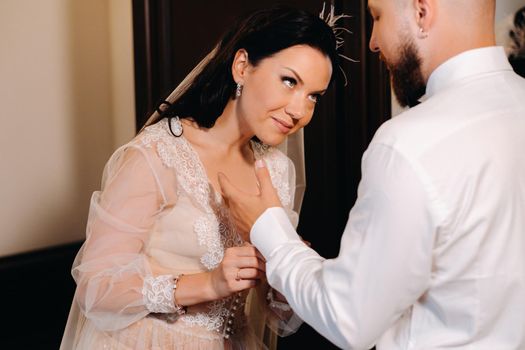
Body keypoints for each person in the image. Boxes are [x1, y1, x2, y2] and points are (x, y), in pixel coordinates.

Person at [219, 0, 525, 349]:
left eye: (378, 16)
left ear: (422, 12)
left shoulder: (410, 144)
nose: (373, 42)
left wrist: (271, 230)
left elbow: (349, 319)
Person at [60, 5, 341, 350]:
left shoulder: (277, 173)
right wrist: (207, 284)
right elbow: (96, 287)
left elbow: (277, 317)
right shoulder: (158, 155)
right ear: (242, 67)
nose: (300, 111)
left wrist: (283, 271)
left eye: (313, 96)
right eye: (289, 81)